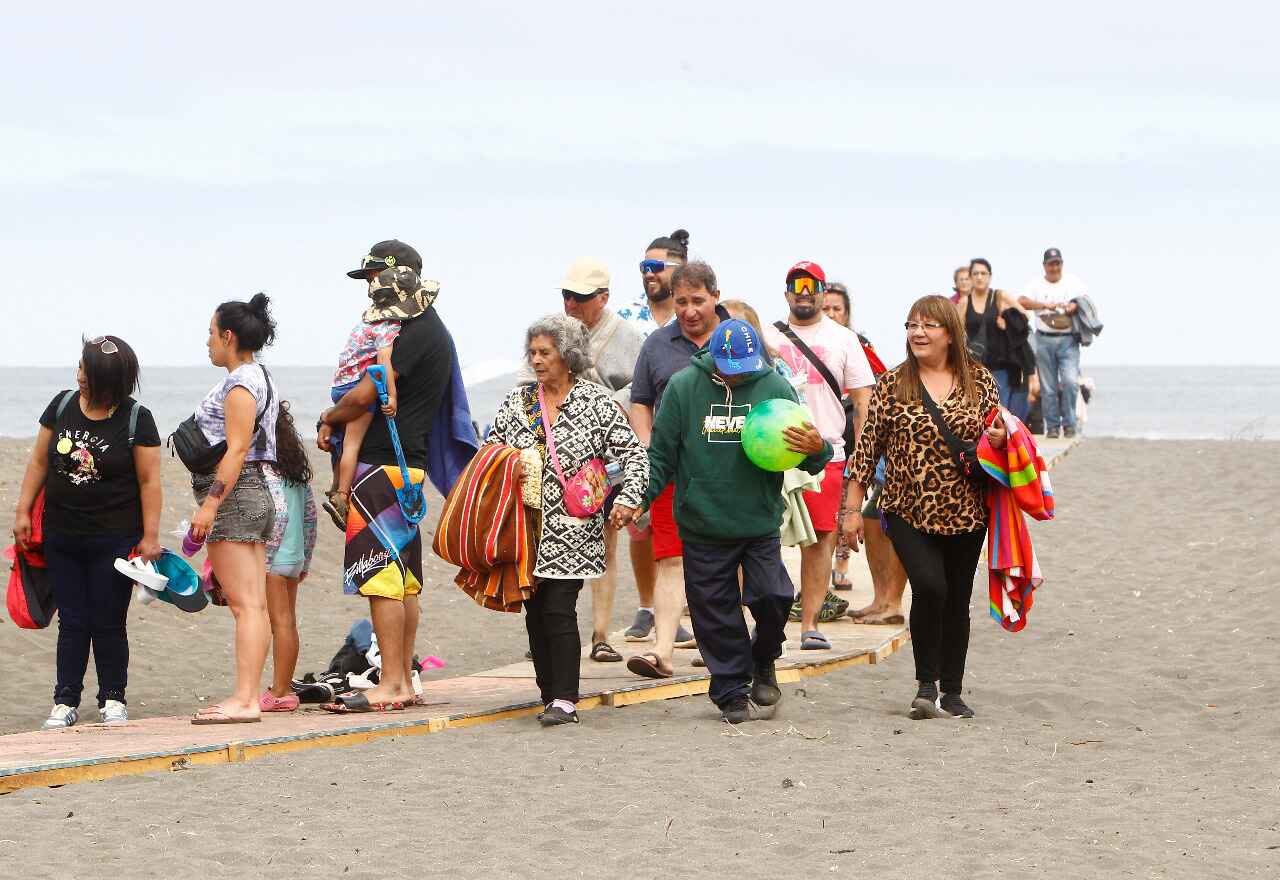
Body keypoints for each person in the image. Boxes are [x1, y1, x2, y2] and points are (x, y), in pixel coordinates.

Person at [643, 290, 832, 723]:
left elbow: (807, 451)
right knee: (715, 614)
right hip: (703, 522)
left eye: (744, 372)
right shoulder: (684, 387)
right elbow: (661, 457)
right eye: (728, 372)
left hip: (758, 520)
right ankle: (730, 690)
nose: (736, 378)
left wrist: (817, 448)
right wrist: (640, 499)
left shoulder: (774, 385)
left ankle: (764, 659)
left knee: (775, 596)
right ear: (712, 356)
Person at [843, 295, 1004, 720]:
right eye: (911, 325)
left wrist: (1001, 441)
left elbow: (994, 437)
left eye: (928, 325)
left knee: (957, 598)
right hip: (906, 507)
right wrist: (852, 510)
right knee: (930, 587)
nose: (917, 332)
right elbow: (866, 448)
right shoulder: (894, 383)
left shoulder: (981, 381)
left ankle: (952, 691)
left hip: (967, 511)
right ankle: (925, 684)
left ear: (949, 333)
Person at [486, 314, 649, 726]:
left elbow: (634, 456)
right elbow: (488, 453)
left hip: (575, 529)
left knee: (559, 607)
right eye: (533, 352)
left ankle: (565, 698)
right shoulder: (517, 403)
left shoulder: (596, 403)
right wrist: (508, 468)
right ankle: (548, 694)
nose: (537, 360)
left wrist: (629, 500)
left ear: (568, 355)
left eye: (546, 352)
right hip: (526, 527)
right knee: (536, 611)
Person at [318, 240, 455, 713]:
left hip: (381, 467)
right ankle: (404, 679)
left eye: (376, 275)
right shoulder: (427, 329)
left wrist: (329, 416)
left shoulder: (410, 332)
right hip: (406, 465)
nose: (371, 286)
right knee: (403, 580)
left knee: (380, 579)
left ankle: (393, 681)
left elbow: (365, 394)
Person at [13, 336, 161, 729]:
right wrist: (23, 510)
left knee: (109, 621)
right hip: (62, 533)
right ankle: (65, 702)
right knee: (73, 621)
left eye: (87, 371)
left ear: (108, 379)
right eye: (79, 367)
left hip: (114, 539)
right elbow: (40, 461)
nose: (79, 376)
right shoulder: (61, 405)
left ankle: (113, 698)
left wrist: (150, 536)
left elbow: (149, 482)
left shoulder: (136, 419)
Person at [626, 256, 733, 679]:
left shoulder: (738, 338)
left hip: (729, 472)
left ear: (716, 298)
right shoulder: (656, 344)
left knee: (727, 562)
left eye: (698, 301)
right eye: (681, 301)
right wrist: (649, 447)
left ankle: (721, 647)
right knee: (670, 558)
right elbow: (640, 399)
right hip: (674, 471)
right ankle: (662, 652)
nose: (689, 310)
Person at [763, 261, 874, 651]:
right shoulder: (768, 336)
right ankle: (758, 625)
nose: (804, 292)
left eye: (813, 286)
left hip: (826, 453)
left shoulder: (845, 339)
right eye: (797, 285)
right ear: (787, 291)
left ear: (824, 292)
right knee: (760, 541)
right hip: (771, 455)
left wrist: (863, 462)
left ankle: (809, 623)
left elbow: (862, 403)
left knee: (821, 542)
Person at [188, 294, 281, 725]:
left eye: (211, 333)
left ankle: (244, 699)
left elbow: (239, 448)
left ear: (228, 336)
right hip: (255, 492)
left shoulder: (241, 383)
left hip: (237, 494)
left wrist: (209, 506)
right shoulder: (259, 375)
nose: (207, 341)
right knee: (255, 605)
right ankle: (248, 695)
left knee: (246, 605)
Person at [555, 257, 646, 662]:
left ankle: (601, 634)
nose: (571, 303)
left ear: (603, 297)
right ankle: (557, 629)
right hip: (563, 458)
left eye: (580, 297)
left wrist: (600, 408)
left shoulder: (628, 336)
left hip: (608, 458)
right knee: (560, 545)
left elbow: (641, 391)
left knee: (605, 542)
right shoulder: (555, 334)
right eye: (566, 295)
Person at [616, 229, 688, 643]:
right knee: (642, 527)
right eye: (643, 267)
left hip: (694, 441)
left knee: (687, 528)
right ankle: (648, 607)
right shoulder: (627, 319)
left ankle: (684, 608)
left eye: (655, 266)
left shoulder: (697, 315)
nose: (647, 274)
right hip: (636, 439)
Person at [321, 261, 427, 528]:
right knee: (353, 444)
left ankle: (335, 486)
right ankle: (342, 495)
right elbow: (384, 364)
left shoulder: (365, 323)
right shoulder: (387, 327)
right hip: (356, 386)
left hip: (339, 384)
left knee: (343, 440)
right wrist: (391, 397)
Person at [258, 401, 318, 712]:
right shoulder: (295, 473)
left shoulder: (266, 471)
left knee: (278, 623)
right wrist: (305, 560)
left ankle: (281, 691)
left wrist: (265, 558)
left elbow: (276, 514)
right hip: (294, 559)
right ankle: (282, 685)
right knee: (287, 623)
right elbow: (310, 518)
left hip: (275, 559)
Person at [1018, 248, 1089, 438]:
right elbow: (1022, 301)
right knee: (1048, 387)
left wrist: (1074, 306)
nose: (1054, 267)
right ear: (1044, 266)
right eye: (1051, 263)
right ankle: (1053, 426)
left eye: (1058, 263)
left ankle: (1070, 423)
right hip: (1044, 338)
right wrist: (1044, 305)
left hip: (1068, 340)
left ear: (1062, 264)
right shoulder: (1035, 284)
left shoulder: (1072, 282)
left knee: (1070, 382)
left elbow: (1086, 300)